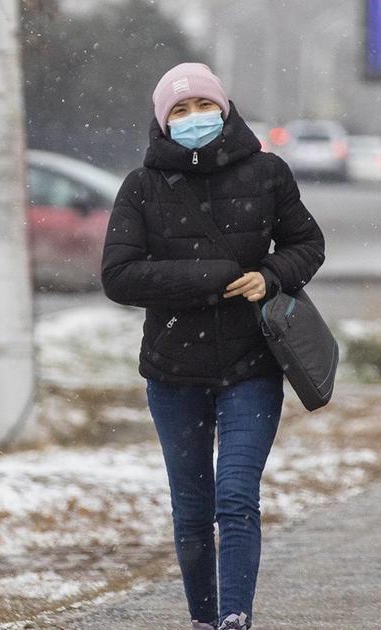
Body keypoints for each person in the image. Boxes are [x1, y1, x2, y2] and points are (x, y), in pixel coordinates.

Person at [101, 63, 325, 630]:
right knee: (194, 510)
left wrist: (271, 275)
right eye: (179, 110)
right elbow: (120, 276)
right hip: (174, 373)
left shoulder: (268, 173)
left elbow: (307, 243)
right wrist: (214, 276)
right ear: (161, 122)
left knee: (236, 498)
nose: (194, 118)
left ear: (224, 111)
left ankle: (234, 618)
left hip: (252, 367)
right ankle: (202, 619)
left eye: (204, 106)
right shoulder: (141, 186)